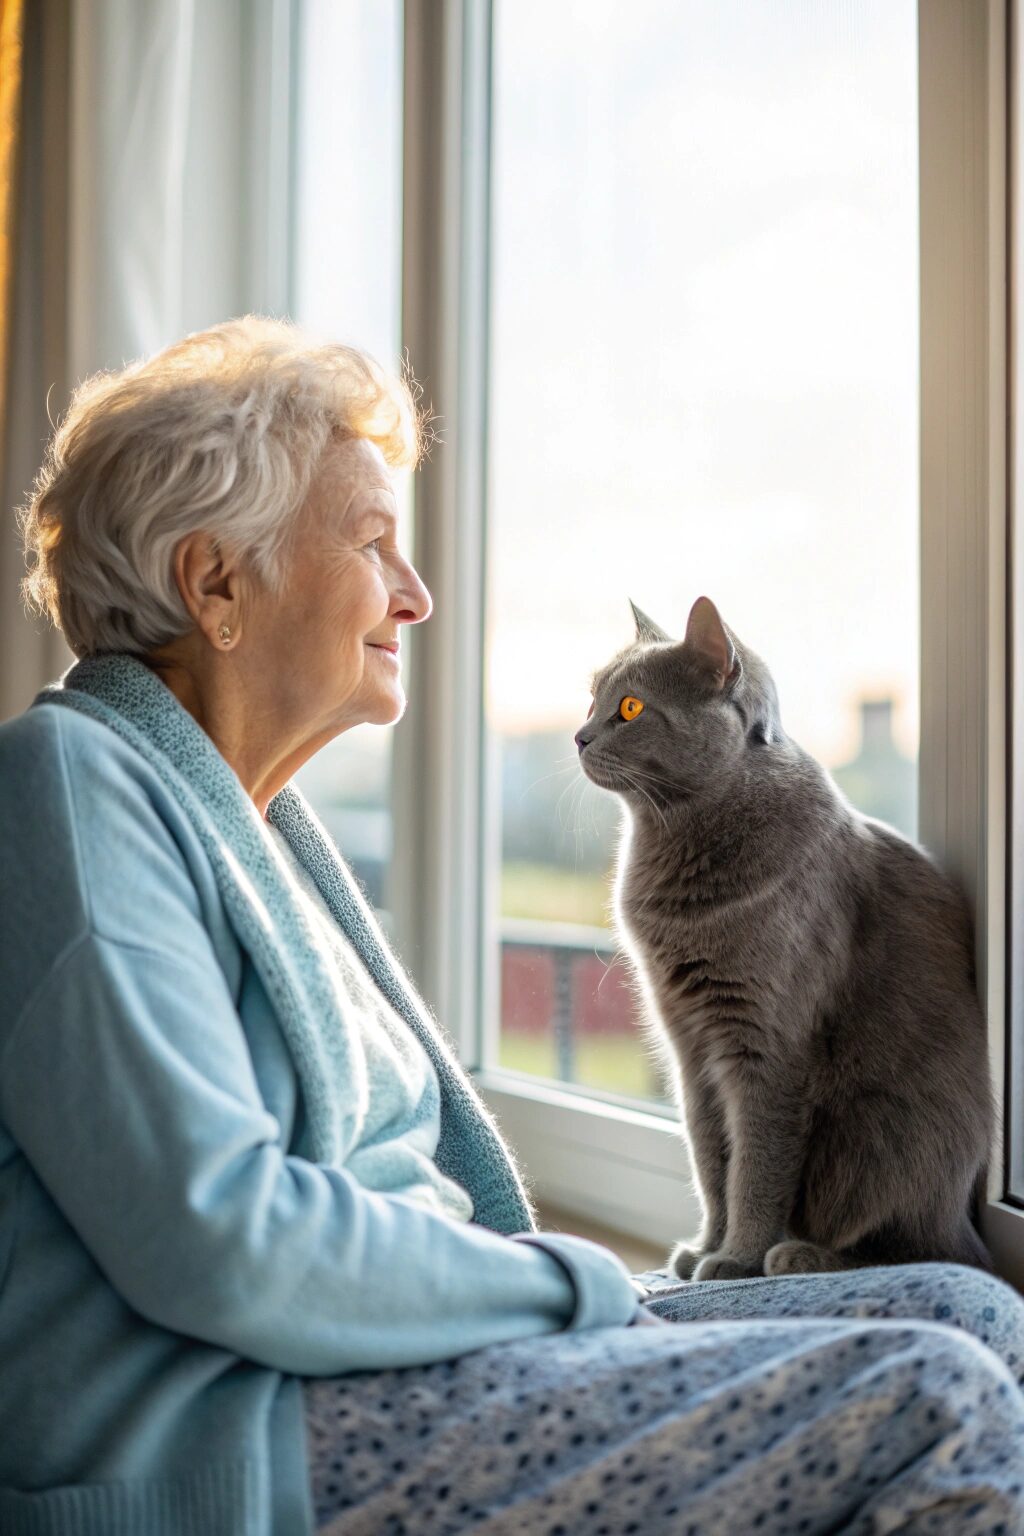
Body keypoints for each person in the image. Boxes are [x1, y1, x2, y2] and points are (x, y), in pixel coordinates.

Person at [1, 315, 1022, 1536]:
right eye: (376, 542)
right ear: (216, 581)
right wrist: (567, 1278)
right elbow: (220, 1238)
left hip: (388, 1360)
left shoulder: (255, 824)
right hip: (251, 1428)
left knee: (978, 1316)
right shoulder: (70, 785)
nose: (417, 595)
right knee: (939, 1397)